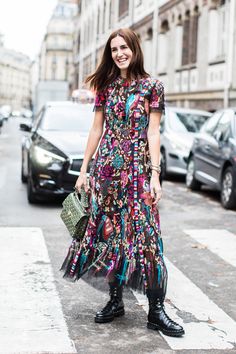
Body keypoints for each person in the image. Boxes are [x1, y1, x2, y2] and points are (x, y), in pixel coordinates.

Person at [61, 28, 184, 337]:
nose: (119, 53)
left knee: (148, 238)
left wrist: (155, 174)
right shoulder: (105, 86)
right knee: (110, 237)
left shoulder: (152, 87)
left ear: (134, 48)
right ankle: (115, 301)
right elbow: (95, 129)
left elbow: (153, 132)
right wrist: (84, 169)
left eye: (124, 47)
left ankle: (156, 311)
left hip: (139, 174)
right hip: (106, 174)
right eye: (114, 49)